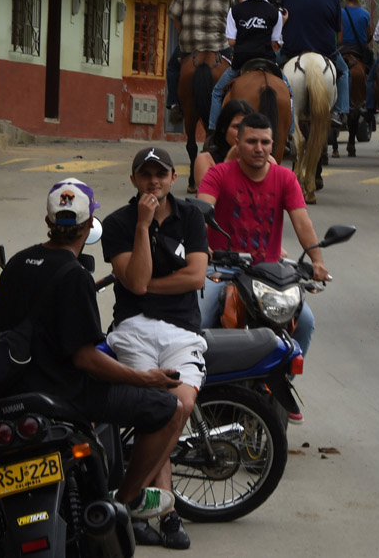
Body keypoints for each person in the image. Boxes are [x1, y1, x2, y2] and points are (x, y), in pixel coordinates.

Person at [0, 179, 188, 520]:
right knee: (171, 409)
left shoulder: (17, 264)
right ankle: (126, 498)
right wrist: (144, 379)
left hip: (11, 395)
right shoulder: (75, 276)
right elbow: (85, 358)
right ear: (88, 225)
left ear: (49, 222)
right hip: (65, 397)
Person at [101, 148, 210, 549]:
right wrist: (143, 226)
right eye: (145, 175)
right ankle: (166, 514)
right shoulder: (118, 223)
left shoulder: (192, 217)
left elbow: (195, 276)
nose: (153, 182)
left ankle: (128, 500)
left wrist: (144, 287)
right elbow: (136, 279)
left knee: (178, 405)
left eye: (160, 174)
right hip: (134, 328)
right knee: (160, 410)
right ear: (133, 180)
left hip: (182, 330)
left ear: (173, 177)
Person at [197, 112, 329, 421]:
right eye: (252, 141)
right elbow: (200, 212)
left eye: (265, 142)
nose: (259, 148)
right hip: (221, 268)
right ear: (238, 142)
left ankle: (280, 384)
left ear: (274, 144)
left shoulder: (285, 178)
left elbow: (301, 221)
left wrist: (318, 261)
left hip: (269, 275)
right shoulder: (218, 174)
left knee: (305, 321)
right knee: (198, 321)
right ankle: (197, 388)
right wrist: (199, 246)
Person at [206, 0, 287, 131]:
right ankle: (290, 133)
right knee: (289, 93)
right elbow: (275, 45)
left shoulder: (235, 10)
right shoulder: (275, 13)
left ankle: (212, 132)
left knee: (216, 92)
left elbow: (231, 42)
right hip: (267, 62)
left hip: (241, 63)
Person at [279, 0, 348, 128]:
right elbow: (337, 27)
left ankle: (272, 108)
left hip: (292, 50)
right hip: (325, 51)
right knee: (345, 71)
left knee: (269, 68)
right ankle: (339, 110)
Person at [166, 0, 235, 125]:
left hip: (190, 45)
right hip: (219, 45)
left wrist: (183, 34)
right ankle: (233, 107)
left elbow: (174, 15)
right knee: (236, 72)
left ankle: (174, 104)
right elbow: (233, 19)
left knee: (173, 68)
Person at [193, 99, 255, 186]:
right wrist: (229, 161)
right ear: (223, 128)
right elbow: (207, 193)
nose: (243, 133)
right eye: (237, 127)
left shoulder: (266, 160)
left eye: (249, 127)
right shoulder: (206, 160)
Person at [340, 0, 373, 67]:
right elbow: (369, 34)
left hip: (343, 47)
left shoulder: (340, 13)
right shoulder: (365, 14)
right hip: (360, 48)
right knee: (373, 67)